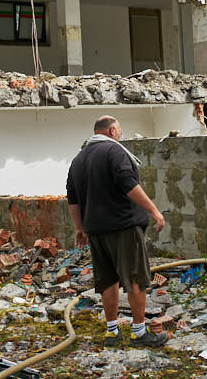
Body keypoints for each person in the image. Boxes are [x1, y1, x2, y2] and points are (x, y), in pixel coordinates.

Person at [65, 115, 168, 348]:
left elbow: (72, 198)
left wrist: (79, 228)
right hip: (123, 227)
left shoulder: (78, 159)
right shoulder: (115, 151)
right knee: (135, 277)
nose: (120, 134)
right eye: (119, 130)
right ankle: (139, 333)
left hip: (95, 230)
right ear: (112, 130)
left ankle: (111, 332)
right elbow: (127, 183)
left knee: (108, 280)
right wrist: (153, 210)